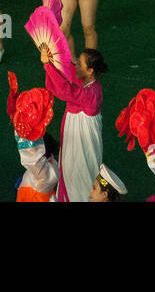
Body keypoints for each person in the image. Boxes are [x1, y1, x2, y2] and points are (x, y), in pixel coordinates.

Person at [43, 48, 105, 203]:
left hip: (83, 146)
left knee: (83, 179)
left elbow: (66, 90)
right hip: (77, 142)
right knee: (73, 176)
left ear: (90, 70)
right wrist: (52, 58)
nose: (75, 66)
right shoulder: (85, 82)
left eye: (79, 64)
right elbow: (68, 71)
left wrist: (48, 66)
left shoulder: (92, 94)